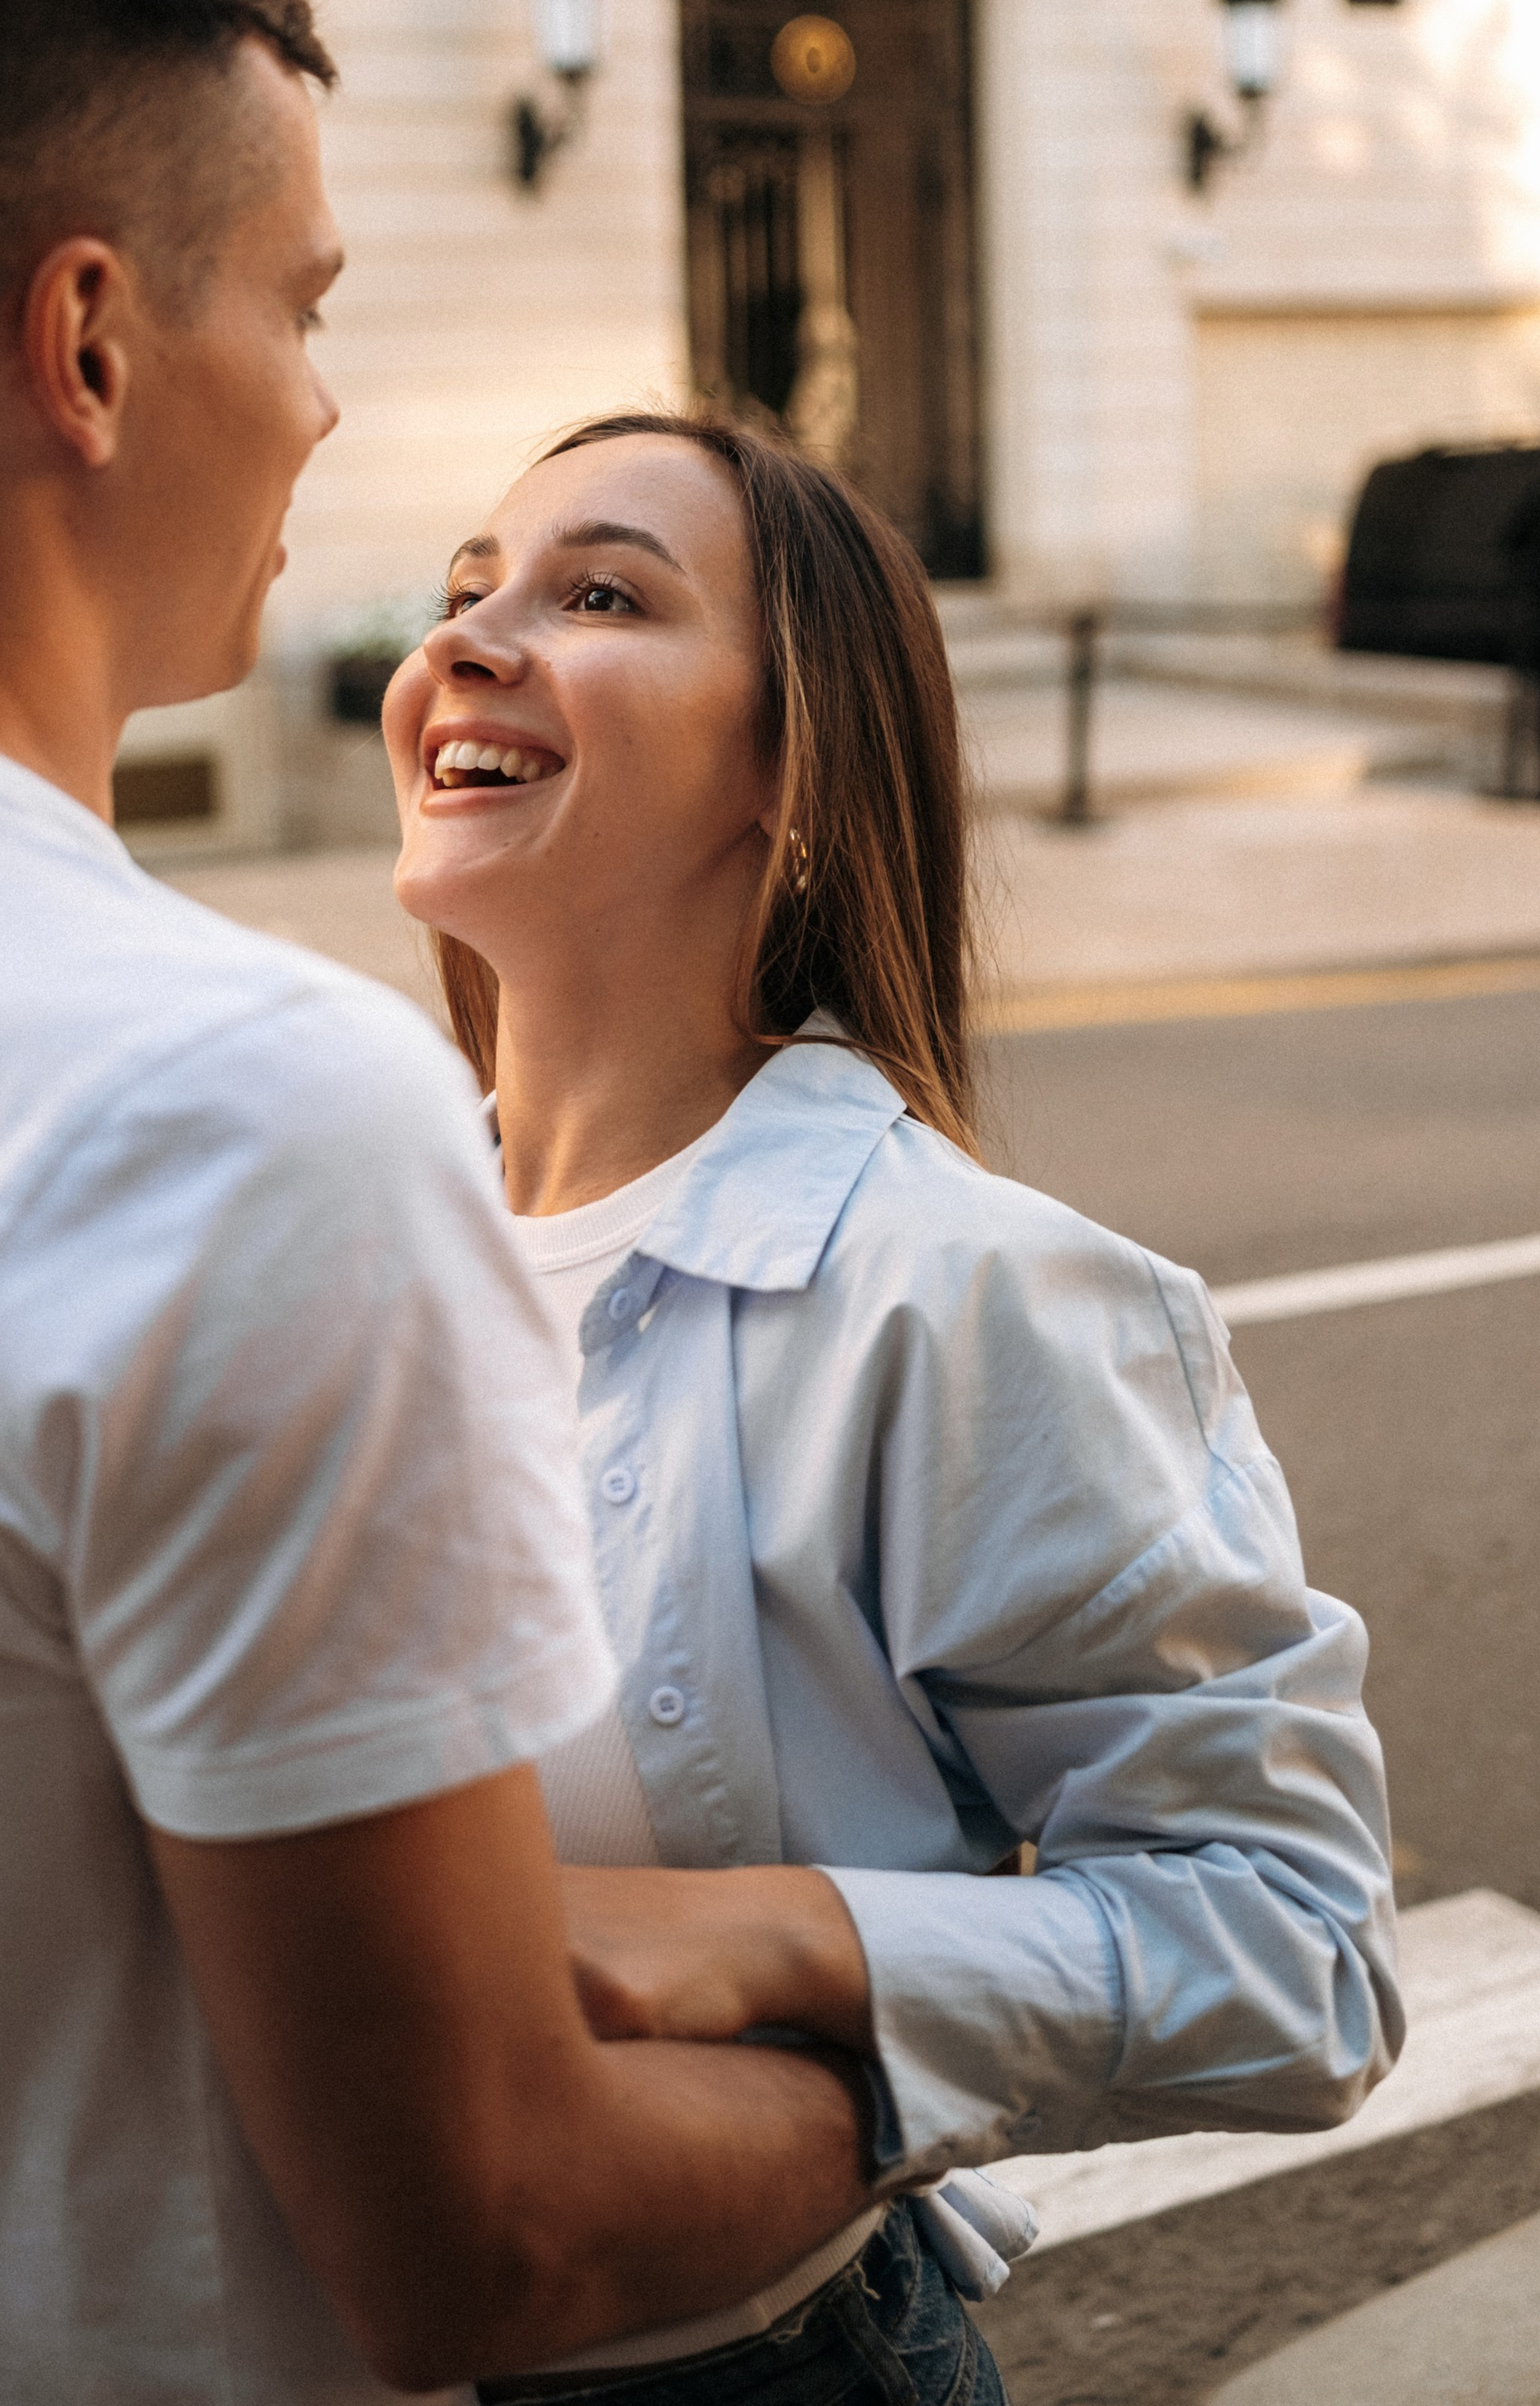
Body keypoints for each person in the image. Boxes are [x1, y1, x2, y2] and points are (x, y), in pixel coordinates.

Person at [0, 0, 886, 2405]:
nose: (323, 402)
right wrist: (917, 2069)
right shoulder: (232, 1107)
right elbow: (483, 2231)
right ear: (85, 342)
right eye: (298, 303)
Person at [382, 410, 1404, 2404]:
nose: (470, 644)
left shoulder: (959, 1291)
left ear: (788, 763)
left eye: (595, 594)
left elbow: (1295, 1950)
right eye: (462, 592)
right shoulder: (325, 1227)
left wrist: (785, 1939)